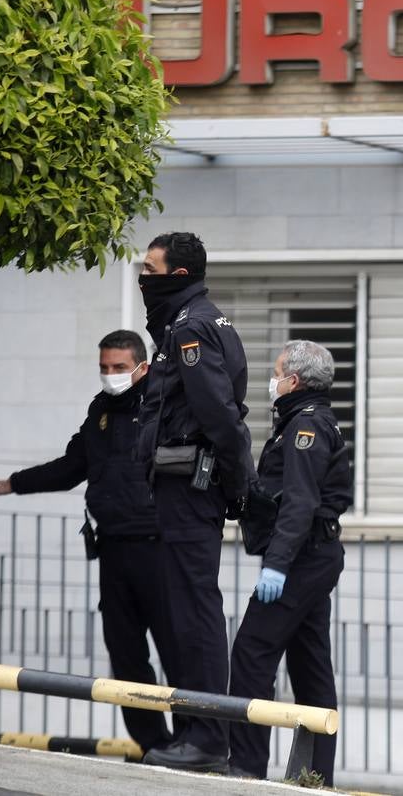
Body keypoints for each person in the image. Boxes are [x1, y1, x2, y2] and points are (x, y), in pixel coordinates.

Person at [0, 330, 175, 754]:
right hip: (113, 546)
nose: (110, 375)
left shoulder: (165, 407)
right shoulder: (101, 409)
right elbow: (73, 465)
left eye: (119, 368)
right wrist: (16, 483)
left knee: (176, 650)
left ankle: (195, 742)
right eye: (104, 368)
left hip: (158, 545)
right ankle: (153, 744)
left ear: (141, 366)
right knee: (125, 654)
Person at [134, 232, 251, 773]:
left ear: (178, 275)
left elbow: (220, 415)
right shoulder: (192, 322)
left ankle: (205, 737)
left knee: (195, 612)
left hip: (190, 486)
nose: (142, 275)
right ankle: (195, 731)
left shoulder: (193, 328)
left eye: (150, 268)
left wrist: (238, 483)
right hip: (183, 486)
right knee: (186, 609)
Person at [229, 340, 352, 785]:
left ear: (294, 380)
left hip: (302, 559)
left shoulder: (306, 427)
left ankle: (245, 769)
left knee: (251, 654)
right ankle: (315, 777)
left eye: (277, 372)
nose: (272, 380)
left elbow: (299, 503)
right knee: (310, 664)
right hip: (313, 556)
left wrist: (277, 564)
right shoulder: (305, 421)